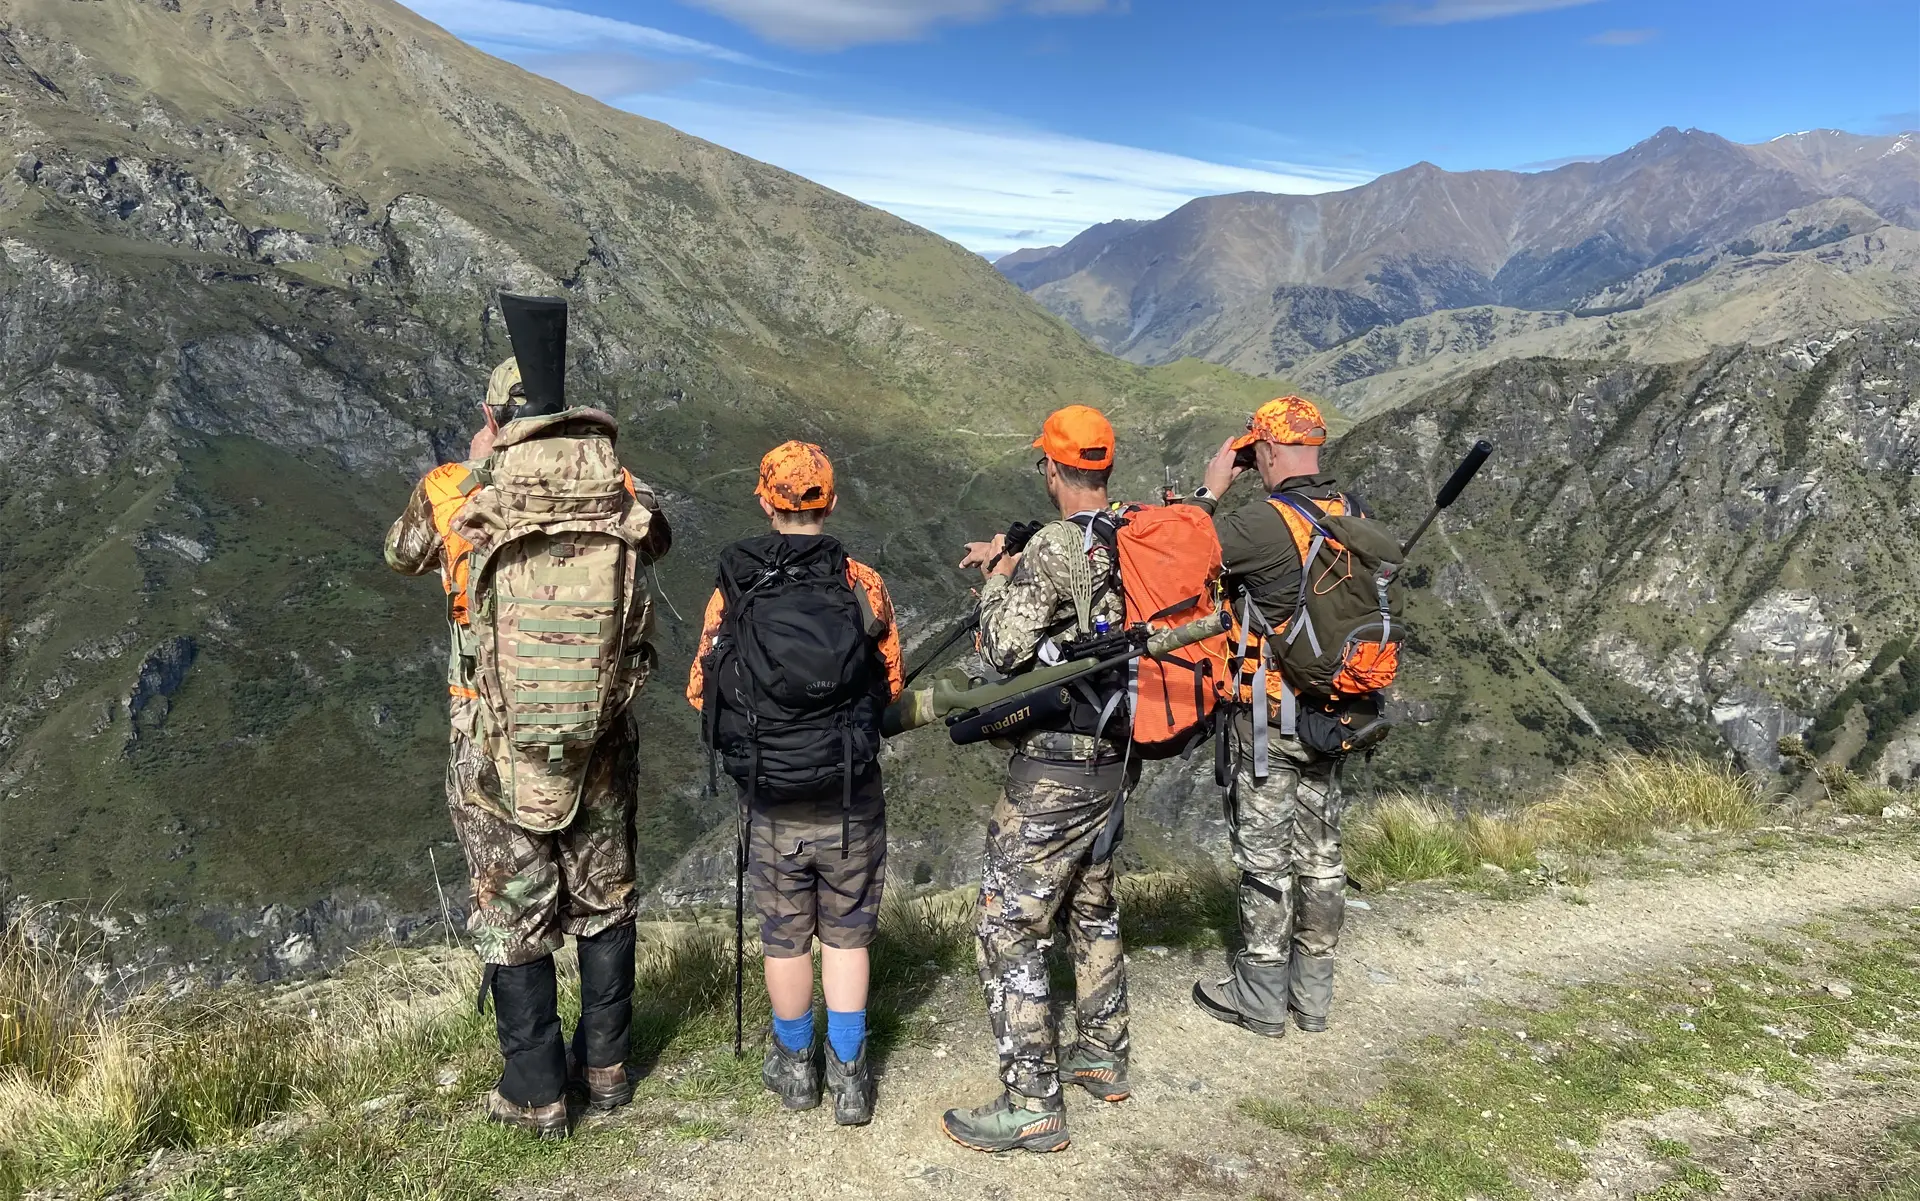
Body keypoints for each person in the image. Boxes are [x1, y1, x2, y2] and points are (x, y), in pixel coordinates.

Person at [386, 300, 671, 1138]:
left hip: (489, 740)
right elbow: (659, 535)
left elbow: (402, 553)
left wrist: (478, 470)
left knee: (514, 907)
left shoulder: (454, 489)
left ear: (492, 418)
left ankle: (537, 1090)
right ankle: (610, 1070)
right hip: (601, 732)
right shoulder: (615, 485)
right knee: (604, 896)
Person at [687, 441, 903, 1126]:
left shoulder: (737, 589)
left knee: (785, 935)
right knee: (846, 933)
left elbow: (702, 691)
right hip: (849, 794)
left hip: (773, 797)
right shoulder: (862, 583)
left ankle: (793, 1066)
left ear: (764, 500)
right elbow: (890, 685)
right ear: (830, 502)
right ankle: (850, 1077)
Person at [941, 405, 1134, 1155]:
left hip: (1056, 760)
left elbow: (999, 647)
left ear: (1052, 469)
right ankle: (1103, 1051)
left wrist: (995, 580)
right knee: (1091, 901)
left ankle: (1031, 1101)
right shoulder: (1121, 530)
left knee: (1006, 924)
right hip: (1114, 752)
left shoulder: (1056, 544)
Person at [1181, 395, 1355, 1037]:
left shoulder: (1261, 523)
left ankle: (1259, 993)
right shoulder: (1351, 513)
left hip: (1272, 716)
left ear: (1270, 451)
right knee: (1323, 854)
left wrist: (1211, 486)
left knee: (1266, 858)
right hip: (1335, 710)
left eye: (1256, 450)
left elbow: (1181, 555)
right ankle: (1313, 996)